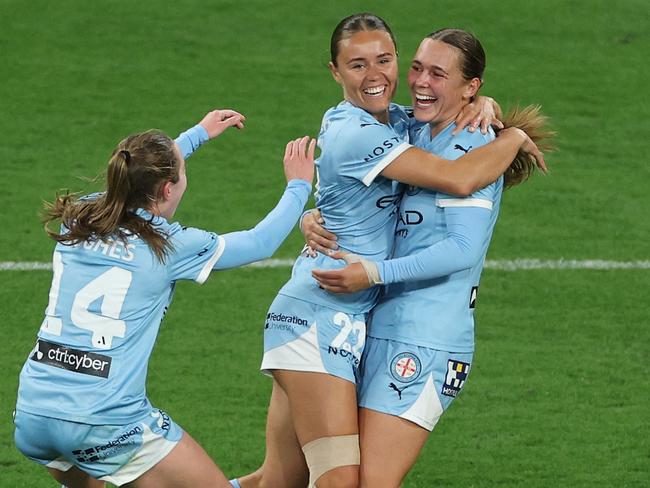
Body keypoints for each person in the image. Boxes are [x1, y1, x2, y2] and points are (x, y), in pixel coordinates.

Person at [233, 13, 547, 488]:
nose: (418, 82)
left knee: (317, 482)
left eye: (435, 73)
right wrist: (315, 216)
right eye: (419, 68)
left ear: (469, 87)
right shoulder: (403, 130)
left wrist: (509, 131)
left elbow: (462, 245)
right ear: (335, 71)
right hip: (343, 323)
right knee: (293, 480)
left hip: (422, 338)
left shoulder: (470, 139)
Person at [13, 108, 316, 488]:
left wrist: (197, 135)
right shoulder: (168, 246)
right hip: (106, 420)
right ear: (168, 190)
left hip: (34, 414)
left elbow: (131, 179)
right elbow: (260, 242)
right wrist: (299, 186)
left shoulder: (80, 215)